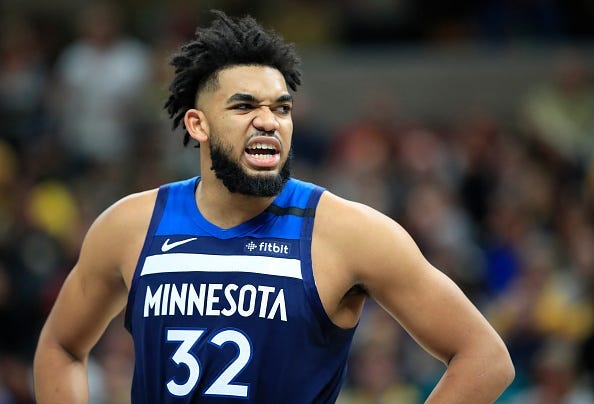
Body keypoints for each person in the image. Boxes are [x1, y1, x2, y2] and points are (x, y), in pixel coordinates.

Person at [33, 10, 515, 403]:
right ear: (198, 125)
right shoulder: (130, 225)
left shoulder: (349, 232)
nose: (268, 121)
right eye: (244, 107)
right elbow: (60, 346)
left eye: (281, 108)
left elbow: (485, 359)